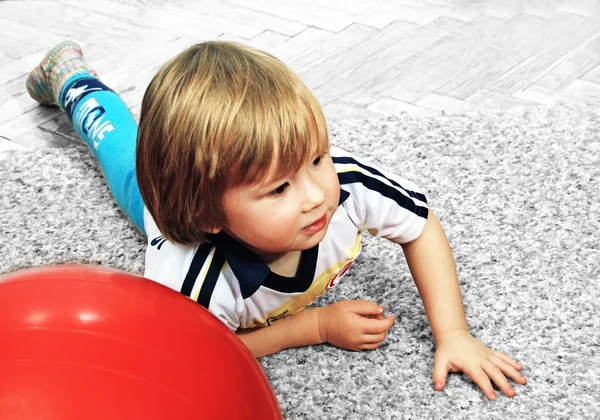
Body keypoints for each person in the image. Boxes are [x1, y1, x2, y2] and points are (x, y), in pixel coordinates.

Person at [26, 40, 527, 400]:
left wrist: (454, 332)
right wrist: (314, 325)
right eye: (279, 188)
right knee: (122, 154)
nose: (316, 197)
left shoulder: (347, 184)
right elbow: (206, 352)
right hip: (160, 201)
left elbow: (421, 226)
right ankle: (73, 79)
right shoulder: (190, 281)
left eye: (315, 159)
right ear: (208, 212)